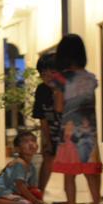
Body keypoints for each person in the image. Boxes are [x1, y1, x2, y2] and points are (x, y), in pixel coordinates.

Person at [51, 34, 102, 204]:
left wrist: (56, 90)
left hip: (70, 133)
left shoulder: (61, 79)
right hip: (89, 132)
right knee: (92, 175)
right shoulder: (90, 78)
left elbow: (58, 107)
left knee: (69, 176)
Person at [0, 131, 45, 204]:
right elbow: (20, 186)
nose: (31, 144)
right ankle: (0, 203)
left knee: (37, 196)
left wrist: (38, 198)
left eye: (33, 141)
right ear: (17, 149)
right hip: (4, 192)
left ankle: (11, 203)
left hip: (15, 192)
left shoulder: (32, 167)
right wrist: (35, 201)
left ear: (37, 146)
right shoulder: (19, 164)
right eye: (25, 142)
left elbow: (32, 187)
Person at [32, 53, 61, 193]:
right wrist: (47, 141)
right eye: (44, 73)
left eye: (53, 72)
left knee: (77, 167)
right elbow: (42, 118)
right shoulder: (41, 90)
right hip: (53, 132)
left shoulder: (67, 89)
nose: (48, 77)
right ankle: (39, 193)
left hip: (71, 134)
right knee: (47, 157)